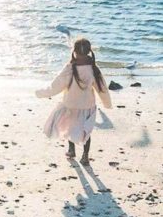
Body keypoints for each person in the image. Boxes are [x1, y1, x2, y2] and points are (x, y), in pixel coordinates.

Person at [36, 37, 111, 165]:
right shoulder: (93, 68)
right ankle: (85, 157)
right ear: (89, 51)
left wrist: (41, 93)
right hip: (87, 106)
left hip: (70, 105)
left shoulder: (69, 68)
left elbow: (55, 86)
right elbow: (102, 88)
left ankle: (71, 151)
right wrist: (107, 103)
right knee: (86, 131)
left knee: (70, 127)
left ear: (74, 51)